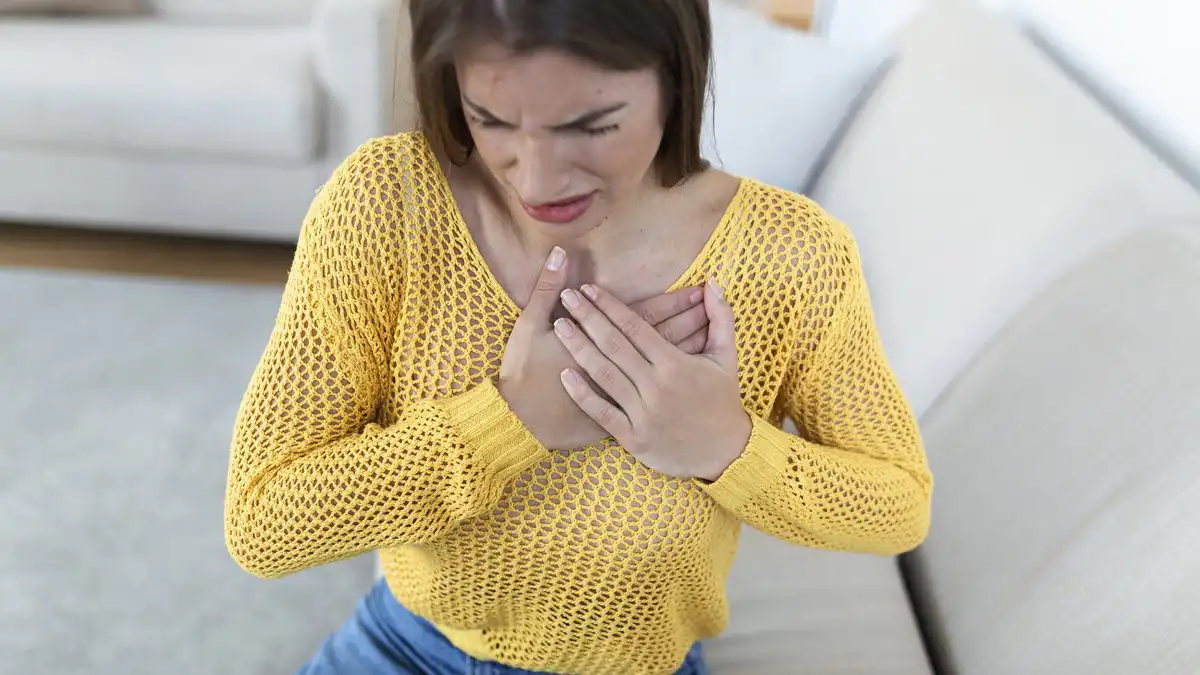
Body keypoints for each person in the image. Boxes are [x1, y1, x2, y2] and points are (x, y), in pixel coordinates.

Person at [223, 0, 934, 673]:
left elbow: (898, 506)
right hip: (405, 647)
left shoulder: (792, 256)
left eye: (590, 126)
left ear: (674, 77)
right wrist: (508, 422)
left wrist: (726, 447)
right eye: (491, 119)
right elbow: (264, 521)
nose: (537, 179)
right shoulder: (387, 203)